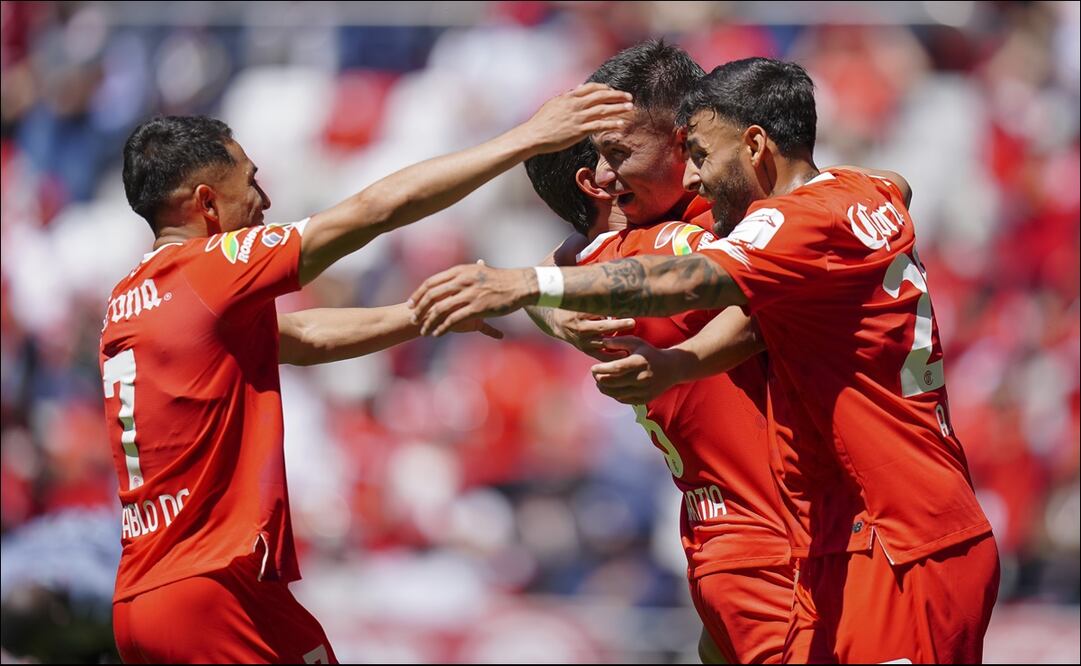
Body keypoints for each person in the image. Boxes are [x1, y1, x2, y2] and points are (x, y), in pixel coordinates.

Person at [410, 58, 999, 664]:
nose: (695, 174)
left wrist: (534, 292)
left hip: (830, 538)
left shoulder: (749, 231)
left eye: (699, 150)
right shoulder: (814, 209)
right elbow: (886, 188)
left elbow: (706, 283)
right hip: (805, 540)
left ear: (747, 143)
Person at [99, 84, 633, 664]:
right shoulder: (208, 270)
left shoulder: (132, 299)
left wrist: (421, 314)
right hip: (209, 590)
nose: (265, 199)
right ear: (207, 203)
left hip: (159, 592)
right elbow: (375, 211)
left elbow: (300, 339)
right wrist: (527, 138)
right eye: (250, 181)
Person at [521, 41, 794, 665]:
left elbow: (547, 271)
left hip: (729, 535)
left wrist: (549, 308)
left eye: (620, 152)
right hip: (773, 537)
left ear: (684, 141)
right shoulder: (703, 236)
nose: (613, 172)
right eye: (605, 159)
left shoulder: (589, 264)